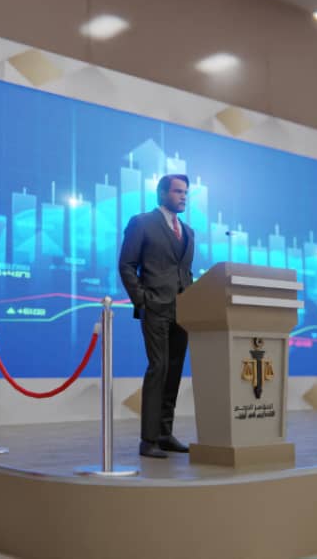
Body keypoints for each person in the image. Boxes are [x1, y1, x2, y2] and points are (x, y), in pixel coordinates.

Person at [118, 174, 195, 458]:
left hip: (183, 311)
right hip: (155, 308)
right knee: (158, 368)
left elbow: (184, 271)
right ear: (162, 193)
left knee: (173, 372)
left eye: (185, 192)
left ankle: (164, 434)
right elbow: (127, 265)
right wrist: (142, 300)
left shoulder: (188, 231)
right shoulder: (141, 223)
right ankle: (148, 440)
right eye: (178, 191)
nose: (183, 196)